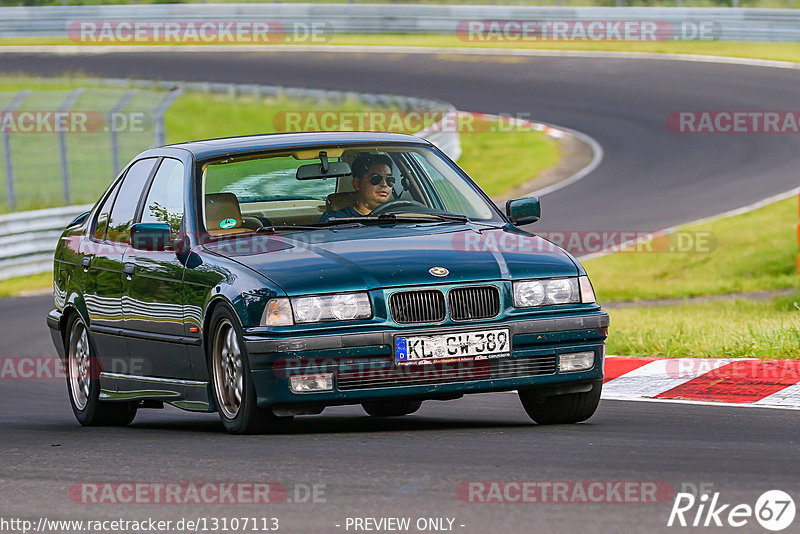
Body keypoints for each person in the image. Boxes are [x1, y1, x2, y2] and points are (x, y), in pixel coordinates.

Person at [319, 154, 395, 223]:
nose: (384, 184)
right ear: (357, 183)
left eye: (389, 179)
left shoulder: (401, 216)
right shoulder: (334, 219)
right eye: (376, 179)